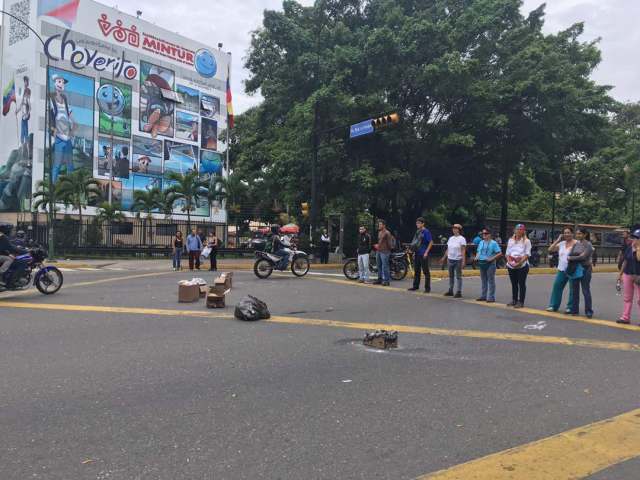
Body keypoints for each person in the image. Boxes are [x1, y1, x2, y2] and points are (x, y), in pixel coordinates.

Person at [49, 73, 75, 183]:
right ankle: (53, 188)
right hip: (59, 136)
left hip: (67, 136)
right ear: (55, 83)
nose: (61, 84)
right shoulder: (51, 97)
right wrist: (53, 130)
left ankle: (69, 189)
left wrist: (74, 125)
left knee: (70, 166)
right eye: (59, 82)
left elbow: (69, 113)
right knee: (57, 165)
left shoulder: (65, 98)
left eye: (63, 82)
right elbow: (50, 115)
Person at [546, 227, 576, 313]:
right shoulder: (562, 243)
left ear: (572, 233)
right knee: (557, 287)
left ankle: (570, 307)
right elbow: (550, 249)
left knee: (572, 289)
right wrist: (558, 239)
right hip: (561, 269)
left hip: (572, 270)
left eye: (569, 232)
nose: (567, 234)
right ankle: (553, 306)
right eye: (565, 233)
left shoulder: (576, 243)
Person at [568, 228, 594, 318]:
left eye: (580, 234)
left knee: (585, 290)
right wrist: (573, 257)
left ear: (585, 234)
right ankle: (575, 310)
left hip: (585, 269)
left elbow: (583, 257)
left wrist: (572, 258)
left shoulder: (588, 244)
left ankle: (589, 311)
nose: (578, 235)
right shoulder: (576, 244)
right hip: (575, 269)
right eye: (577, 234)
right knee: (575, 291)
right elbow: (570, 254)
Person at [617, 228, 640, 325]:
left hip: (638, 276)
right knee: (627, 297)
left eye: (637, 238)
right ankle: (625, 317)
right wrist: (620, 274)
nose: (634, 239)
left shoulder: (637, 248)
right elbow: (625, 261)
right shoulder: (629, 247)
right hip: (627, 274)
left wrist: (638, 248)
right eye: (634, 237)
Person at [506, 224, 531, 308]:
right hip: (511, 265)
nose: (519, 231)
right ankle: (514, 299)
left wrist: (519, 263)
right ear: (515, 230)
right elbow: (507, 253)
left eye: (521, 229)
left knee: (521, 283)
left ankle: (521, 301)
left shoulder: (526, 241)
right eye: (518, 229)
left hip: (522, 265)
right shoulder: (510, 240)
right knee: (514, 283)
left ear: (524, 231)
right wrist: (509, 262)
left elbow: (527, 254)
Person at [475, 228, 503, 303]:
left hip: (490, 264)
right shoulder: (481, 242)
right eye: (483, 234)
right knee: (483, 280)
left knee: (491, 280)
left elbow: (500, 253)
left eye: (486, 233)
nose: (484, 235)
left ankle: (491, 297)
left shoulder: (493, 243)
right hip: (481, 263)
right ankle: (483, 296)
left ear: (490, 234)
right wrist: (477, 257)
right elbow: (478, 251)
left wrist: (491, 259)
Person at [408, 217, 433, 292]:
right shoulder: (418, 231)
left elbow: (431, 242)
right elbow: (415, 243)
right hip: (417, 253)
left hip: (423, 253)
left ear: (423, 224)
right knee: (417, 270)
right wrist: (413, 251)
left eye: (419, 223)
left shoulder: (426, 231)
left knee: (425, 271)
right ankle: (415, 286)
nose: (417, 224)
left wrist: (426, 252)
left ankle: (427, 288)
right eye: (417, 223)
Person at [441, 224, 466, 298]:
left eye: (455, 228)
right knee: (451, 276)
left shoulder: (462, 239)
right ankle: (450, 290)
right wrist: (444, 257)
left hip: (458, 259)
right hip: (450, 259)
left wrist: (464, 261)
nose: (454, 229)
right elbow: (448, 249)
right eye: (453, 228)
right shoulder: (451, 238)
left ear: (459, 230)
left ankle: (459, 291)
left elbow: (463, 250)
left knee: (458, 276)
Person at [374, 220, 392, 286]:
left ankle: (387, 281)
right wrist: (377, 245)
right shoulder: (379, 232)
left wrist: (388, 250)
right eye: (379, 225)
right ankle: (379, 279)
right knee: (379, 266)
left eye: (380, 224)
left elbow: (390, 243)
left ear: (384, 225)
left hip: (385, 252)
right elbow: (380, 241)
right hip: (378, 251)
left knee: (385, 266)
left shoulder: (387, 233)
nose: (379, 226)